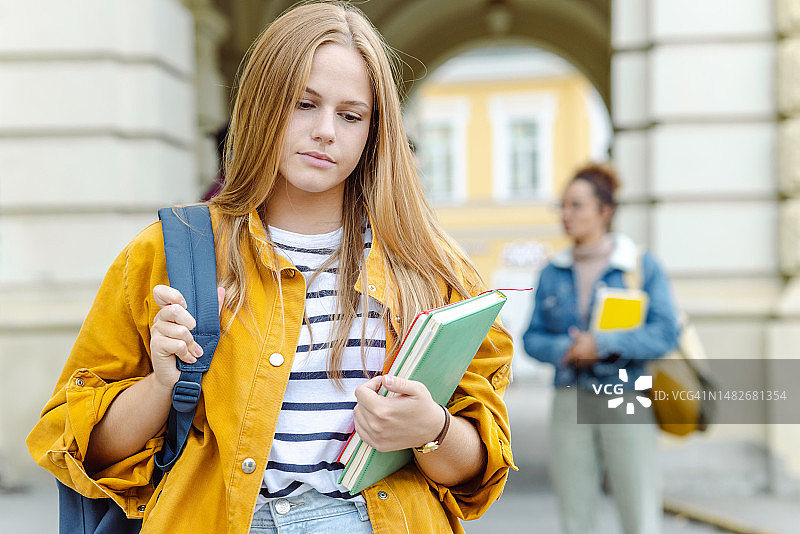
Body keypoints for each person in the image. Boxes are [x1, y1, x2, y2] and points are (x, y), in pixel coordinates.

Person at [26, 3, 515, 533]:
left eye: (351, 115)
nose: (326, 131)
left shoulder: (428, 268)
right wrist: (161, 384)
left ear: (375, 129)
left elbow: (476, 471)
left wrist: (431, 429)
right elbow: (85, 451)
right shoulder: (170, 253)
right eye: (304, 104)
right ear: (263, 104)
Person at [523, 163, 679, 534]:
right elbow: (532, 337)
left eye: (576, 205)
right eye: (562, 205)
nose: (566, 214)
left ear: (604, 211)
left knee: (638, 505)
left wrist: (603, 344)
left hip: (624, 392)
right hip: (568, 394)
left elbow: (664, 333)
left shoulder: (639, 267)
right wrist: (567, 348)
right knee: (574, 510)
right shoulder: (552, 271)